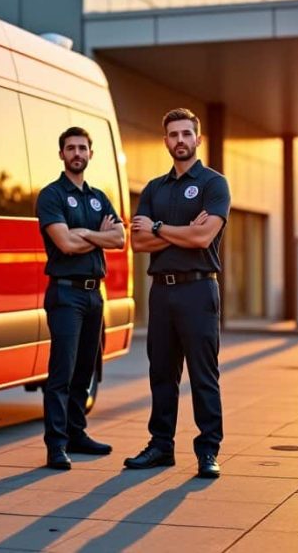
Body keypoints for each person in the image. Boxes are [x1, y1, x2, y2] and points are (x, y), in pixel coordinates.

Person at [125, 108, 230, 480]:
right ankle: (160, 446)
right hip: (162, 293)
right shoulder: (155, 188)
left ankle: (208, 451)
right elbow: (138, 243)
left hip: (199, 290)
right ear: (166, 140)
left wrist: (158, 228)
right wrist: (178, 229)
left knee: (204, 374)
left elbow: (203, 237)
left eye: (187, 134)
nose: (180, 141)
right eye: (173, 135)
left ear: (197, 139)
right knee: (162, 373)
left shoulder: (214, 184)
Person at [36, 126, 126, 470]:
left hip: (94, 295)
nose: (77, 153)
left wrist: (85, 233)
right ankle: (56, 446)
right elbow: (65, 244)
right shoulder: (52, 196)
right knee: (62, 371)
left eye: (82, 148)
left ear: (91, 153)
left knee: (85, 370)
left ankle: (77, 434)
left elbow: (119, 238)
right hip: (65, 293)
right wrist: (97, 234)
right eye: (71, 148)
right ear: (61, 154)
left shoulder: (99, 197)